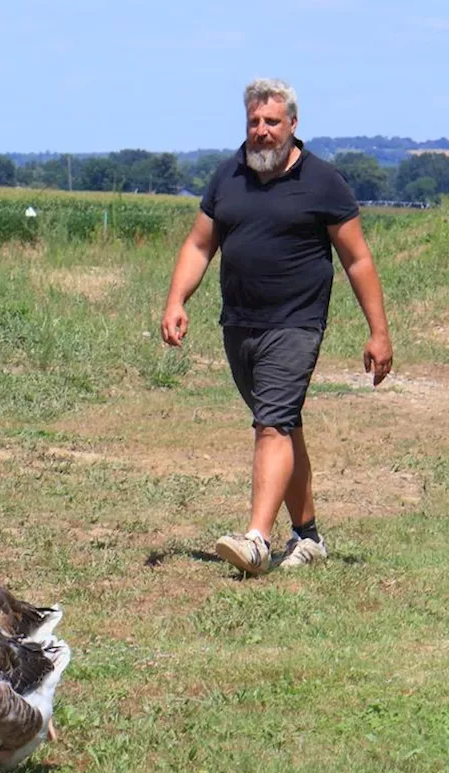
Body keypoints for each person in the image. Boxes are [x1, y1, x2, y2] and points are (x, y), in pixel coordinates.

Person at [160, 77, 393, 576]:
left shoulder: (323, 181)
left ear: (292, 124)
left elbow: (357, 260)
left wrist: (379, 331)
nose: (262, 132)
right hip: (239, 324)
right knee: (284, 426)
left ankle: (257, 540)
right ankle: (307, 537)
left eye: (271, 122)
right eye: (253, 122)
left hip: (296, 323)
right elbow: (200, 244)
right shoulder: (228, 177)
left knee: (271, 425)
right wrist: (177, 299)